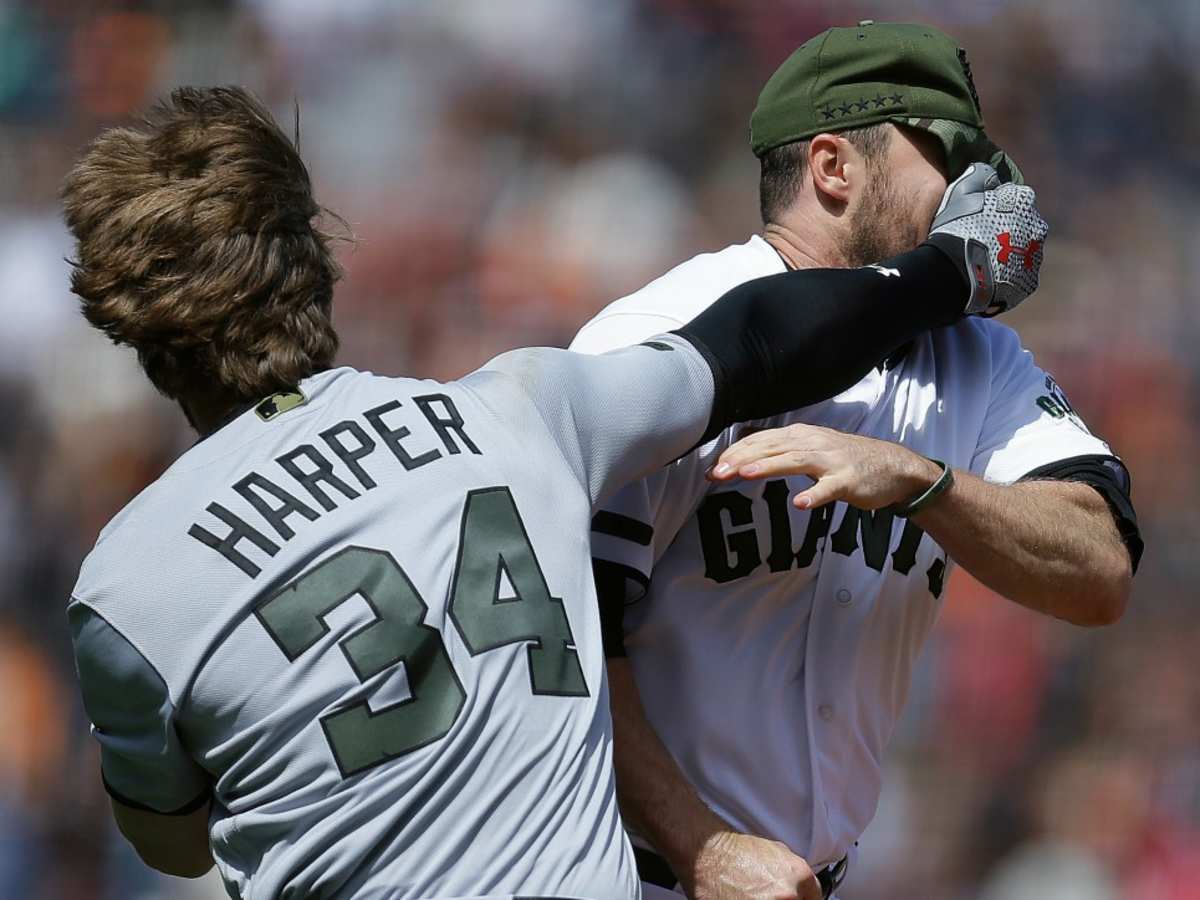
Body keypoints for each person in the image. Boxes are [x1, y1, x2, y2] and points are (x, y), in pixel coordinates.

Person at [62, 86, 1043, 900]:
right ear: (316, 265)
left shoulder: (129, 588)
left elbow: (175, 844)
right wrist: (948, 268)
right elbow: (756, 342)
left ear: (137, 333)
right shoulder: (515, 416)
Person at [569, 21, 1142, 900]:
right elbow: (565, 638)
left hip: (815, 879)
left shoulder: (978, 360)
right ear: (835, 167)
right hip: (631, 873)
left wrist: (927, 486)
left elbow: (1099, 569)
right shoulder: (659, 337)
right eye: (948, 158)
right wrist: (703, 848)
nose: (978, 192)